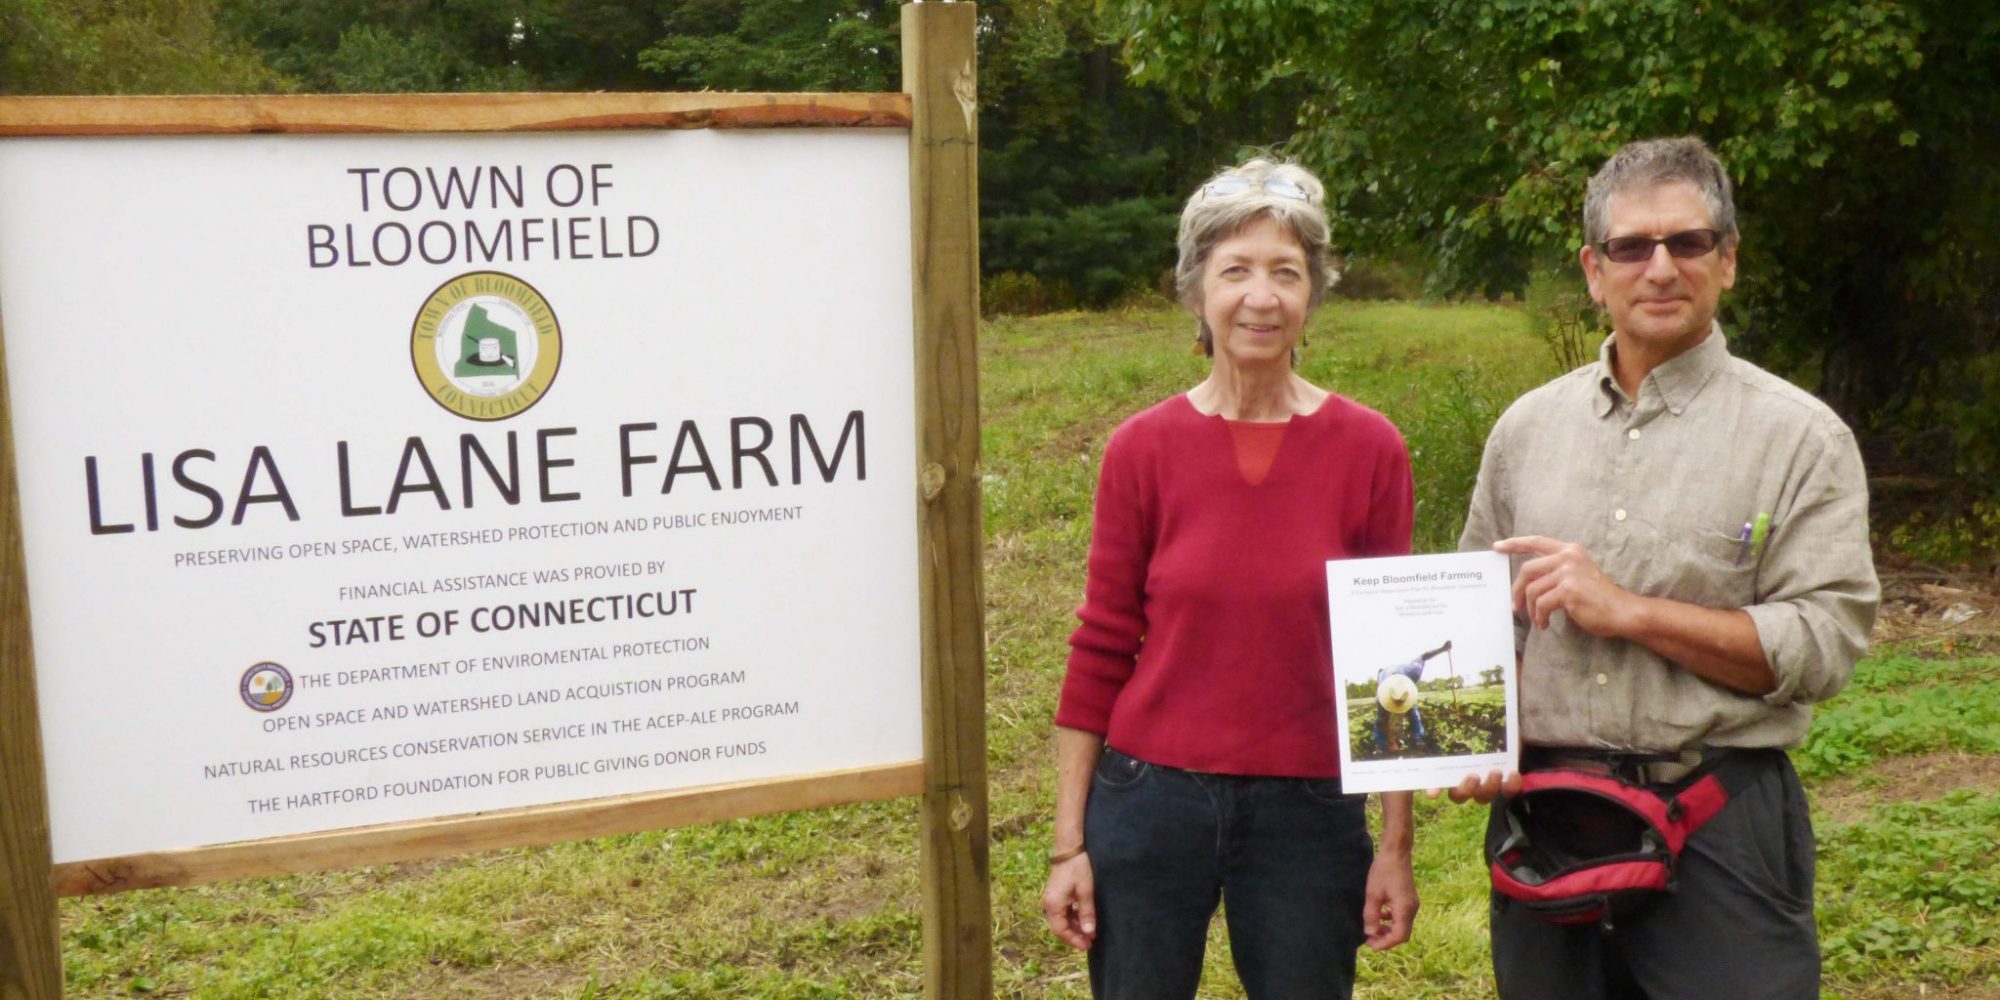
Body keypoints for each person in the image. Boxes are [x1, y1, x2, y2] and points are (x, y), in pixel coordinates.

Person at [1452, 136, 1879, 998]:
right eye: (1631, 247)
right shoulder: (1526, 430)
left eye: (1687, 243)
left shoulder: (1801, 438)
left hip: (1719, 825)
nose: (1660, 267)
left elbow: (1824, 645)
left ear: (1726, 262)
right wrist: (1459, 735)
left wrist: (1629, 611)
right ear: (1592, 269)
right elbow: (1470, 617)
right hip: (1547, 823)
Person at [1039, 158, 1419, 999]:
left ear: (1312, 294)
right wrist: (1071, 843)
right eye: (1235, 270)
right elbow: (1101, 643)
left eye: (1287, 272)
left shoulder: (1370, 450)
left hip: (1310, 810)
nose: (1262, 296)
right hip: (1148, 800)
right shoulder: (1142, 449)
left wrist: (1394, 847)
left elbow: (1395, 664)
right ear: (1196, 291)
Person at [1372, 641, 1450, 752]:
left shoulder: (1413, 671)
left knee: (1413, 712)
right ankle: (1381, 744)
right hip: (1385, 677)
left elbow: (1424, 656)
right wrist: (1391, 742)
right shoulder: (1382, 696)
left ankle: (1417, 739)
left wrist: (1442, 649)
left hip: (1401, 680)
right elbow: (1382, 720)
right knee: (1381, 718)